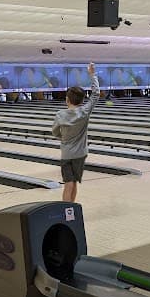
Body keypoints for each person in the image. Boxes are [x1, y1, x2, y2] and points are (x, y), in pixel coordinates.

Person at [51, 63, 99, 203]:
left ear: (67, 99)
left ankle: (67, 210)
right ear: (82, 100)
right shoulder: (85, 112)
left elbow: (55, 132)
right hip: (80, 154)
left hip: (67, 154)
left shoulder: (60, 115)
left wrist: (63, 139)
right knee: (74, 183)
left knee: (68, 184)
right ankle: (71, 208)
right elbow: (96, 94)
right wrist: (92, 74)